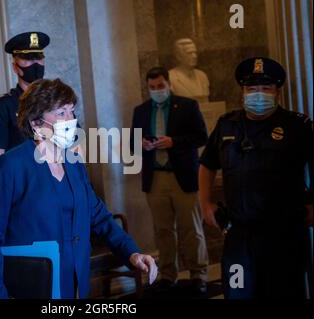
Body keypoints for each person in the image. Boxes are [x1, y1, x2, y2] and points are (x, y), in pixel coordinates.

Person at [0, 78, 158, 299]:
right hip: (32, 286)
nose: (70, 120)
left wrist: (133, 253)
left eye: (71, 112)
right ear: (35, 122)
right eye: (61, 113)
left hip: (76, 283)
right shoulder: (12, 165)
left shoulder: (74, 163)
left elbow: (99, 217)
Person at [199, 57, 313, 299]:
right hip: (239, 237)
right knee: (238, 293)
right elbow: (207, 164)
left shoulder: (297, 126)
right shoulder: (227, 125)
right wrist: (205, 202)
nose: (258, 94)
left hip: (285, 235)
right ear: (242, 92)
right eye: (251, 88)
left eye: (266, 88)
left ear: (278, 93)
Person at [130, 66, 209, 294]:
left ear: (169, 84)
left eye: (160, 86)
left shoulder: (187, 106)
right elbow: (132, 143)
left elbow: (201, 136)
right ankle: (167, 275)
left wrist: (174, 142)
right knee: (163, 230)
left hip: (182, 175)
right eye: (152, 87)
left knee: (191, 229)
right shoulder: (141, 110)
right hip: (155, 178)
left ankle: (198, 275)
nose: (157, 90)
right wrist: (142, 144)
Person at [0, 31, 50, 191]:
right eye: (27, 59)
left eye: (38, 58)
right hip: (23, 194)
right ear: (15, 67)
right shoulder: (1, 108)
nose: (35, 64)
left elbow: (76, 152)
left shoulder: (59, 104)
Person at [169, 38, 210, 103]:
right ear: (178, 56)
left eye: (195, 52)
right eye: (189, 53)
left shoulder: (202, 76)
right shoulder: (170, 77)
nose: (194, 56)